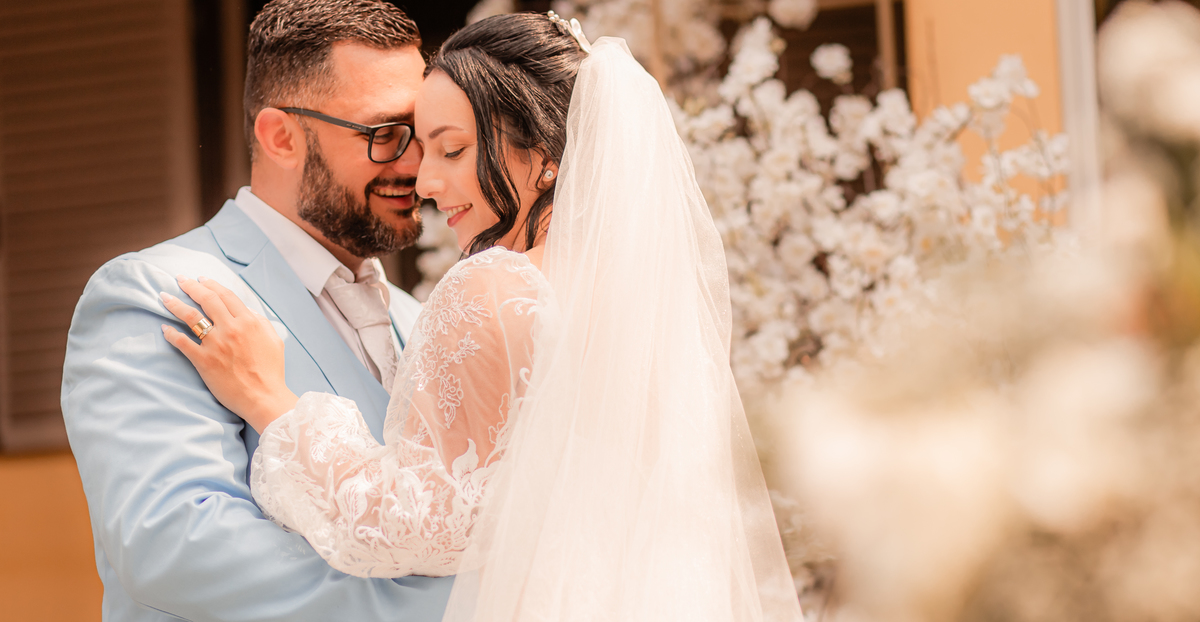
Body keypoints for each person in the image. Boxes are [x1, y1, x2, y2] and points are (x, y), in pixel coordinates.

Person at [163, 12, 803, 621]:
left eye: (452, 150)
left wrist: (271, 403)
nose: (424, 182)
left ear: (546, 153)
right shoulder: (637, 304)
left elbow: (417, 523)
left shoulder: (493, 287)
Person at [60, 1, 454, 620]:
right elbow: (176, 542)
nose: (416, 165)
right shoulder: (153, 293)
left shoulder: (422, 319)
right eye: (384, 134)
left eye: (426, 135)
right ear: (281, 136)